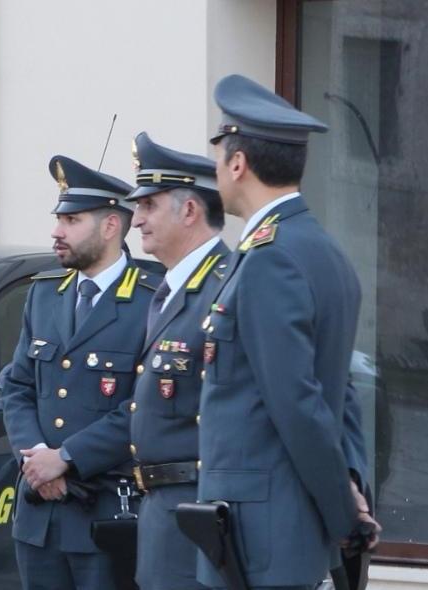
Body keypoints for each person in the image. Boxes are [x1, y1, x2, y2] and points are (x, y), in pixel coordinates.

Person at [197, 74, 381, 589]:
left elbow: (297, 402)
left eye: (219, 156)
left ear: (238, 163)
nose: (216, 169)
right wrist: (349, 481)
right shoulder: (324, 252)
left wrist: (344, 512)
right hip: (280, 535)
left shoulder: (269, 259)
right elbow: (337, 390)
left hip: (259, 543)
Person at [2, 154, 160, 589]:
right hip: (39, 518)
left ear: (111, 226)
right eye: (58, 219)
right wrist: (36, 459)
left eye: (71, 220)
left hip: (105, 515)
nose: (56, 231)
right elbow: (16, 387)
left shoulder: (152, 300)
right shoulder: (45, 295)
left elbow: (146, 405)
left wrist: (66, 460)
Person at [125, 131, 230, 590]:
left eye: (149, 205)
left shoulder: (225, 289)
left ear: (189, 210)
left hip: (201, 509)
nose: (135, 220)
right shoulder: (168, 291)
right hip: (163, 510)